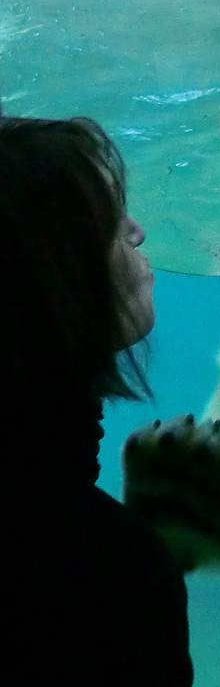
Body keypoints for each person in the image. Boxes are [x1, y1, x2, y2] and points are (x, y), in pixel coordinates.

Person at [0, 115, 193, 685]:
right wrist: (133, 557)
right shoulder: (100, 568)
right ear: (56, 274)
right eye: (109, 223)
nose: (136, 231)